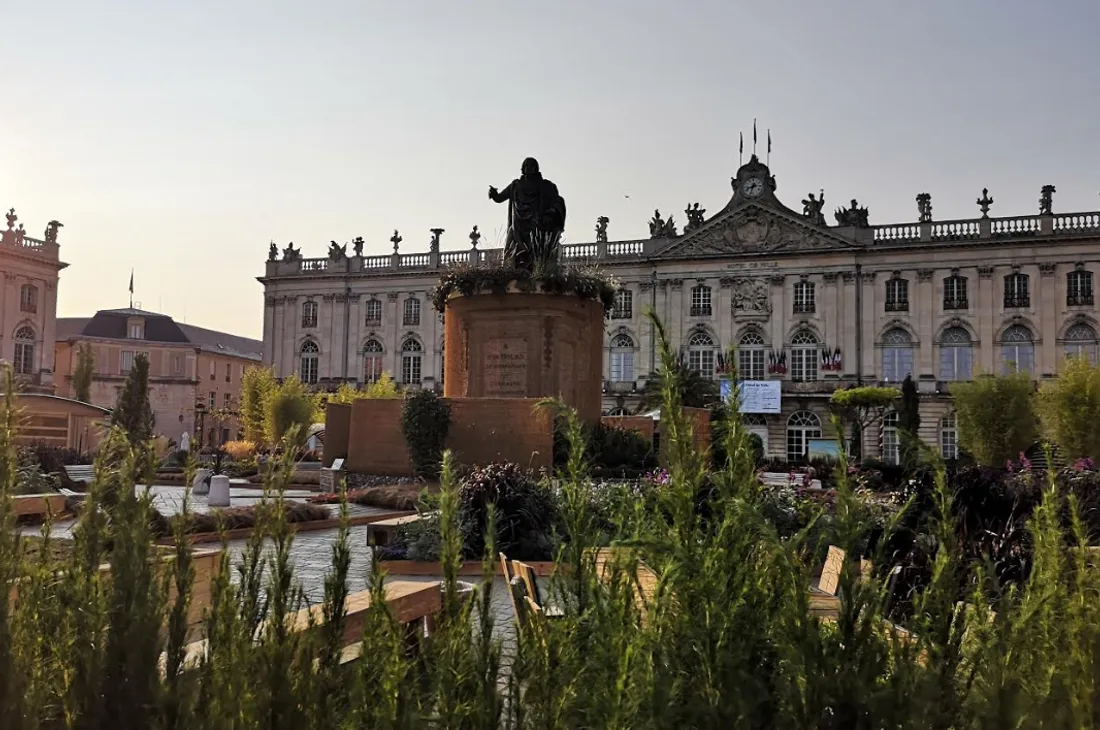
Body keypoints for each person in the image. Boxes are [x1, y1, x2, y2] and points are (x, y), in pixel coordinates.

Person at [488, 157, 566, 271]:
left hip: (536, 224)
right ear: (522, 169)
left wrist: (550, 213)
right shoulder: (516, 185)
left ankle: (537, 271)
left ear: (536, 168)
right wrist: (494, 194)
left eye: (530, 166)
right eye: (526, 166)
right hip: (517, 225)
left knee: (535, 252)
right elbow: (500, 197)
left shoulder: (546, 186)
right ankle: (509, 272)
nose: (528, 169)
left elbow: (557, 202)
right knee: (510, 251)